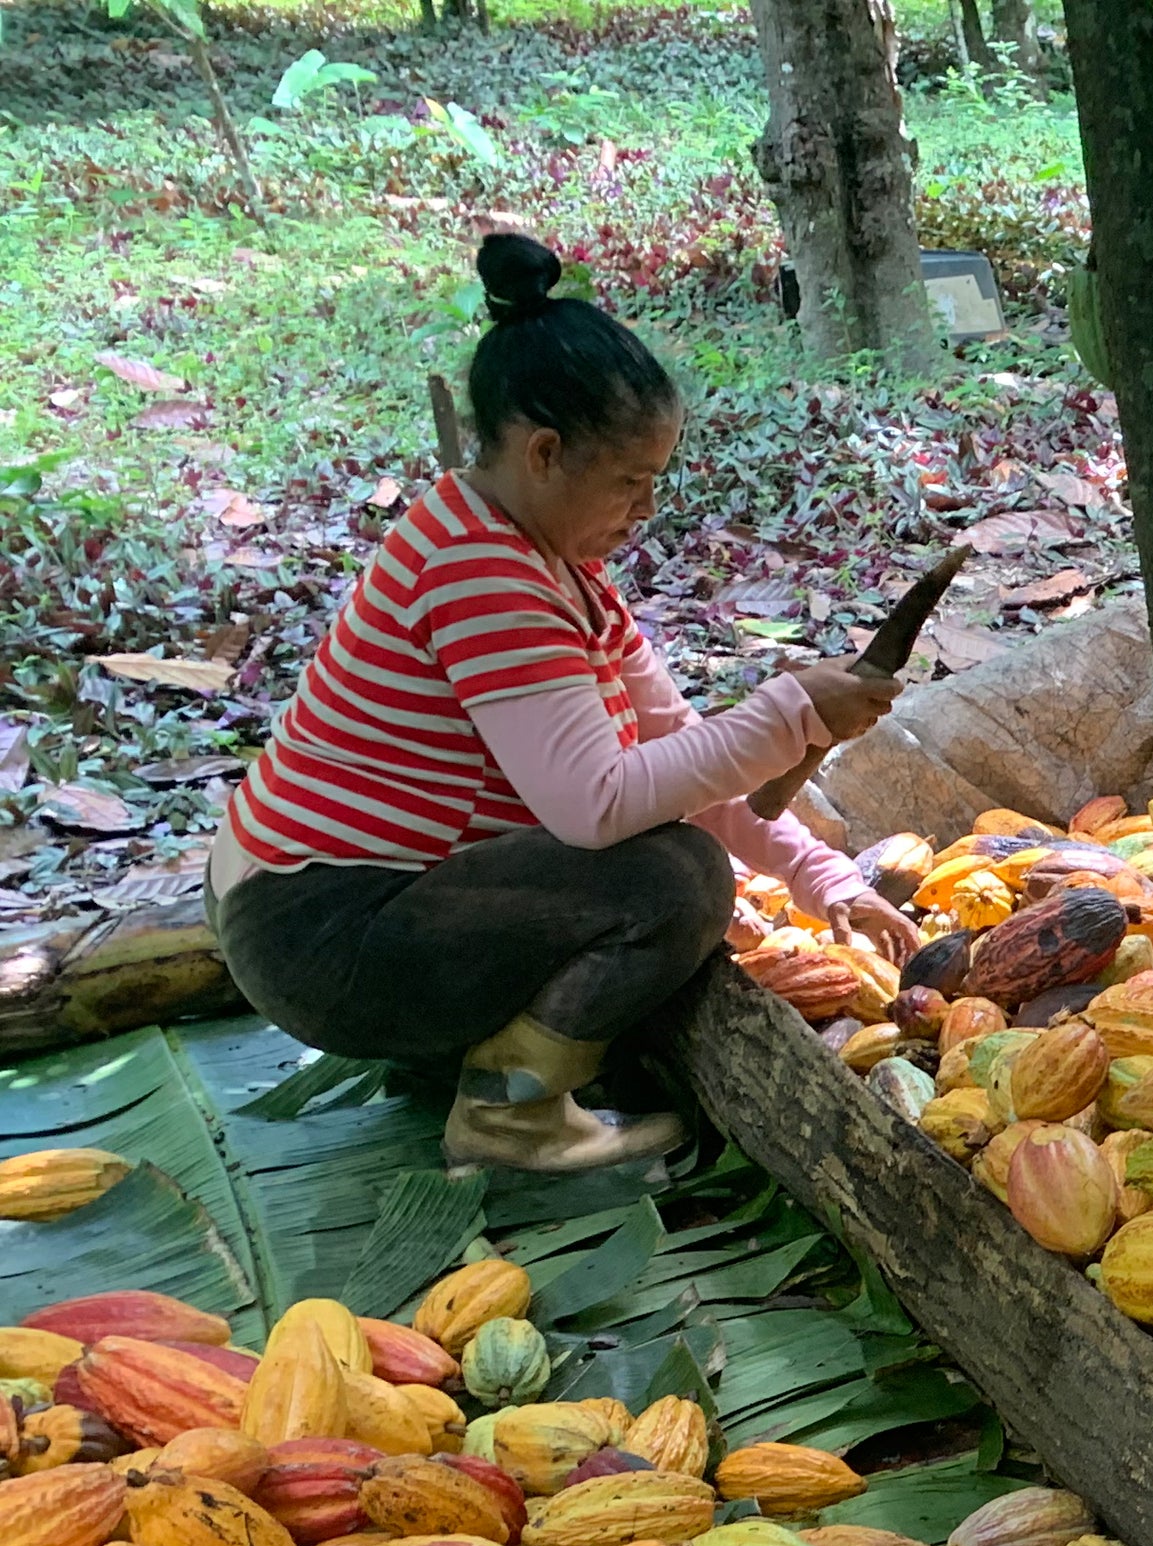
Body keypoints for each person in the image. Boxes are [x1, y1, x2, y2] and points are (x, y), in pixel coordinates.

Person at [213, 234, 918, 1173]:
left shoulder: (540, 556)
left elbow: (676, 745)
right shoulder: (482, 575)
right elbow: (599, 806)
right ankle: (510, 1115)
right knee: (673, 882)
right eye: (630, 481)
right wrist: (789, 712)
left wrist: (820, 877)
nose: (645, 508)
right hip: (318, 933)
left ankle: (468, 1052)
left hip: (323, 896)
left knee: (669, 858)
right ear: (544, 453)